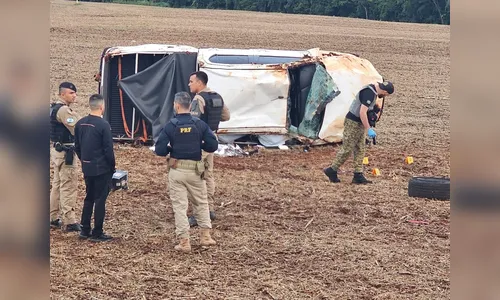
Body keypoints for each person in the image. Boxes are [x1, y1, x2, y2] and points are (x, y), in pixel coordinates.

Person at [155, 91, 219, 252]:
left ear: (176, 105)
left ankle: (184, 242)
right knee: (201, 202)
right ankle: (206, 236)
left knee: (180, 207)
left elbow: (160, 150)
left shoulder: (171, 125)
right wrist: (200, 145)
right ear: (190, 106)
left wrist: (172, 148)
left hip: (177, 170)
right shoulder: (199, 124)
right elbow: (212, 145)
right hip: (196, 170)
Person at [323, 81, 394, 184]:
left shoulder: (372, 90)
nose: (384, 96)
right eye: (386, 94)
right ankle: (332, 170)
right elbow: (362, 112)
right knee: (347, 148)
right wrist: (369, 128)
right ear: (384, 91)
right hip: (353, 122)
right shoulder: (369, 93)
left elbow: (366, 110)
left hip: (359, 123)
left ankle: (358, 175)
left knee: (360, 148)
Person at [187, 71, 230, 226]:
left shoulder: (199, 99)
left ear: (200, 83)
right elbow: (226, 116)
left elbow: (193, 121)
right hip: (212, 139)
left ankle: (199, 213)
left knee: (193, 175)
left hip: (200, 141)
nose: (189, 84)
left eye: (191, 81)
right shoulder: (217, 96)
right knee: (208, 174)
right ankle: (210, 209)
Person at [74, 94, 115, 242]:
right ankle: (97, 232)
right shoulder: (104, 125)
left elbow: (77, 146)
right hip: (102, 168)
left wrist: (84, 160)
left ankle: (84, 230)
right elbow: (108, 150)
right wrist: (112, 167)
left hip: (87, 166)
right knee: (100, 199)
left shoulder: (80, 124)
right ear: (102, 107)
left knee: (88, 197)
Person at [49, 82, 81, 232]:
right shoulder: (63, 111)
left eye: (74, 93)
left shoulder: (53, 108)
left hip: (57, 151)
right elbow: (77, 129)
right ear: (62, 94)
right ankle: (69, 221)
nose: (74, 95)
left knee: (57, 184)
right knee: (68, 185)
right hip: (65, 152)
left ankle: (53, 217)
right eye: (70, 93)